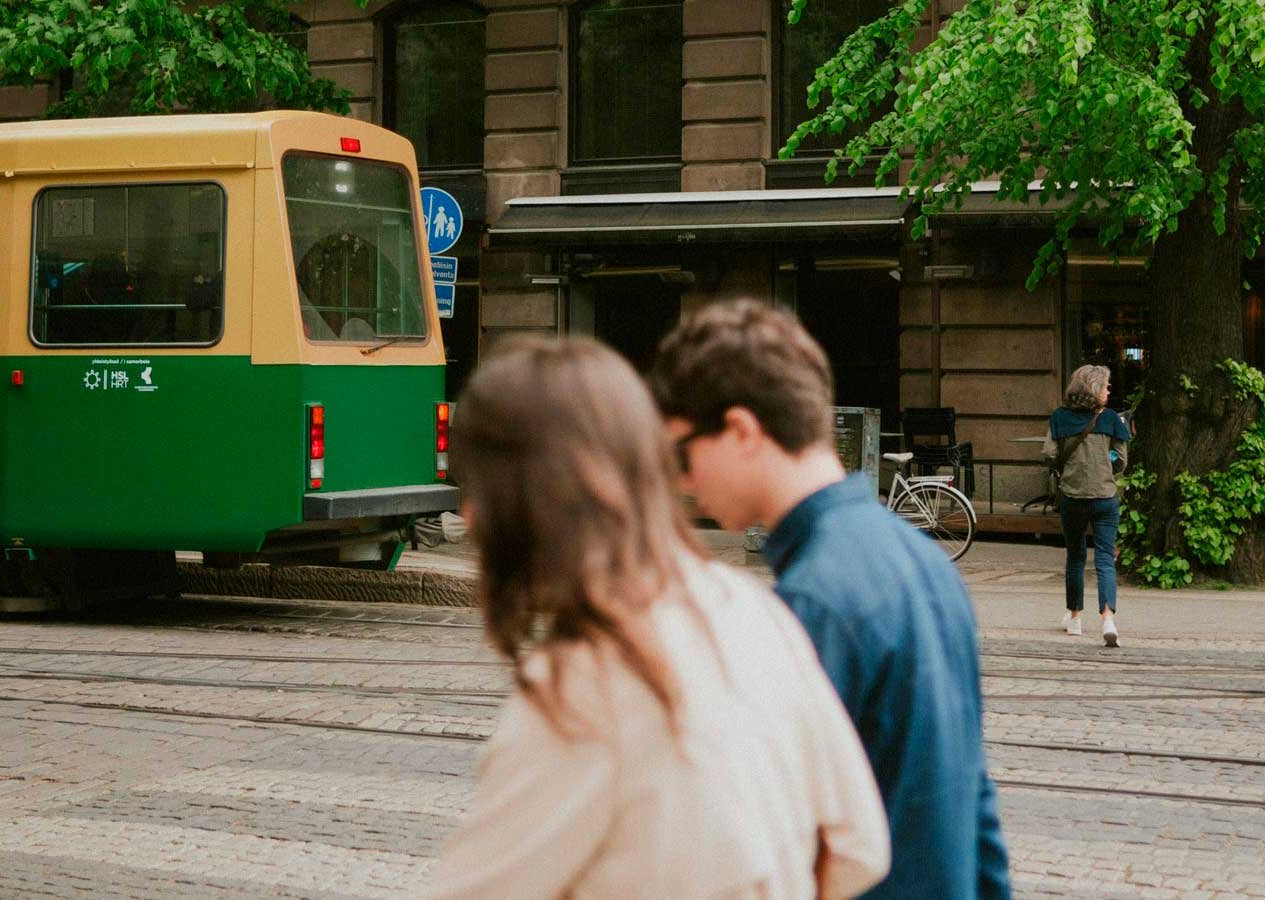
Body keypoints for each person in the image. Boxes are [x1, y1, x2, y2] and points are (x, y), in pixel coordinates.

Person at [426, 336, 890, 900]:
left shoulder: (578, 691)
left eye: (479, 487)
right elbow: (860, 850)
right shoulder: (754, 608)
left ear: (533, 495)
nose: (469, 515)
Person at [650, 300, 1010, 900]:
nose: (684, 482)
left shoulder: (812, 601)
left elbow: (776, 844)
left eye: (683, 454)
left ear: (741, 431)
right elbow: (975, 802)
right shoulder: (922, 559)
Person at [1044, 364, 1132, 646]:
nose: (1109, 389)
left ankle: (1075, 618)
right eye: (1105, 385)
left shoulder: (1059, 418)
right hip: (1105, 497)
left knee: (1075, 557)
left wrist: (1067, 467)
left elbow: (1049, 454)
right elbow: (1122, 460)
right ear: (1094, 389)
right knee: (1105, 559)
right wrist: (1106, 466)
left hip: (1072, 497)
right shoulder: (1111, 419)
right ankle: (1108, 619)